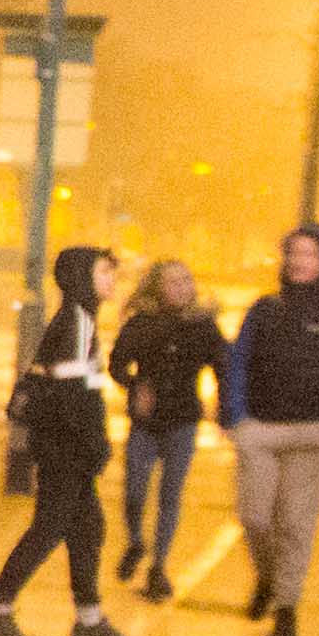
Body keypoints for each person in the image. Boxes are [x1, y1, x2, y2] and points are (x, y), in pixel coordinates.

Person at [0, 245, 134, 636]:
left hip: (65, 447)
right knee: (49, 529)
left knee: (87, 528)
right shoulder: (77, 322)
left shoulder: (80, 319)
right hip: (65, 450)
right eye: (103, 272)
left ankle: (89, 619)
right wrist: (94, 447)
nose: (111, 279)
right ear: (82, 277)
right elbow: (72, 396)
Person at [222, 221, 319, 636]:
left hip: (311, 434)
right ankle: (268, 577)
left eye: (308, 254)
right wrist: (236, 418)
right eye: (293, 253)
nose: (298, 261)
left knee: (295, 524)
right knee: (254, 516)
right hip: (260, 430)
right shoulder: (264, 309)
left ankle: (286, 611)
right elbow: (238, 362)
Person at [109, 255, 223, 601]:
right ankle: (136, 543)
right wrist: (135, 386)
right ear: (157, 288)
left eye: (187, 280)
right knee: (134, 492)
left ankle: (159, 568)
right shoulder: (141, 324)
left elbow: (224, 365)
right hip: (145, 423)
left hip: (183, 422)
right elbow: (116, 365)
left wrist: (223, 404)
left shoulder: (203, 326)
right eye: (173, 282)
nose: (183, 287)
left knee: (170, 496)